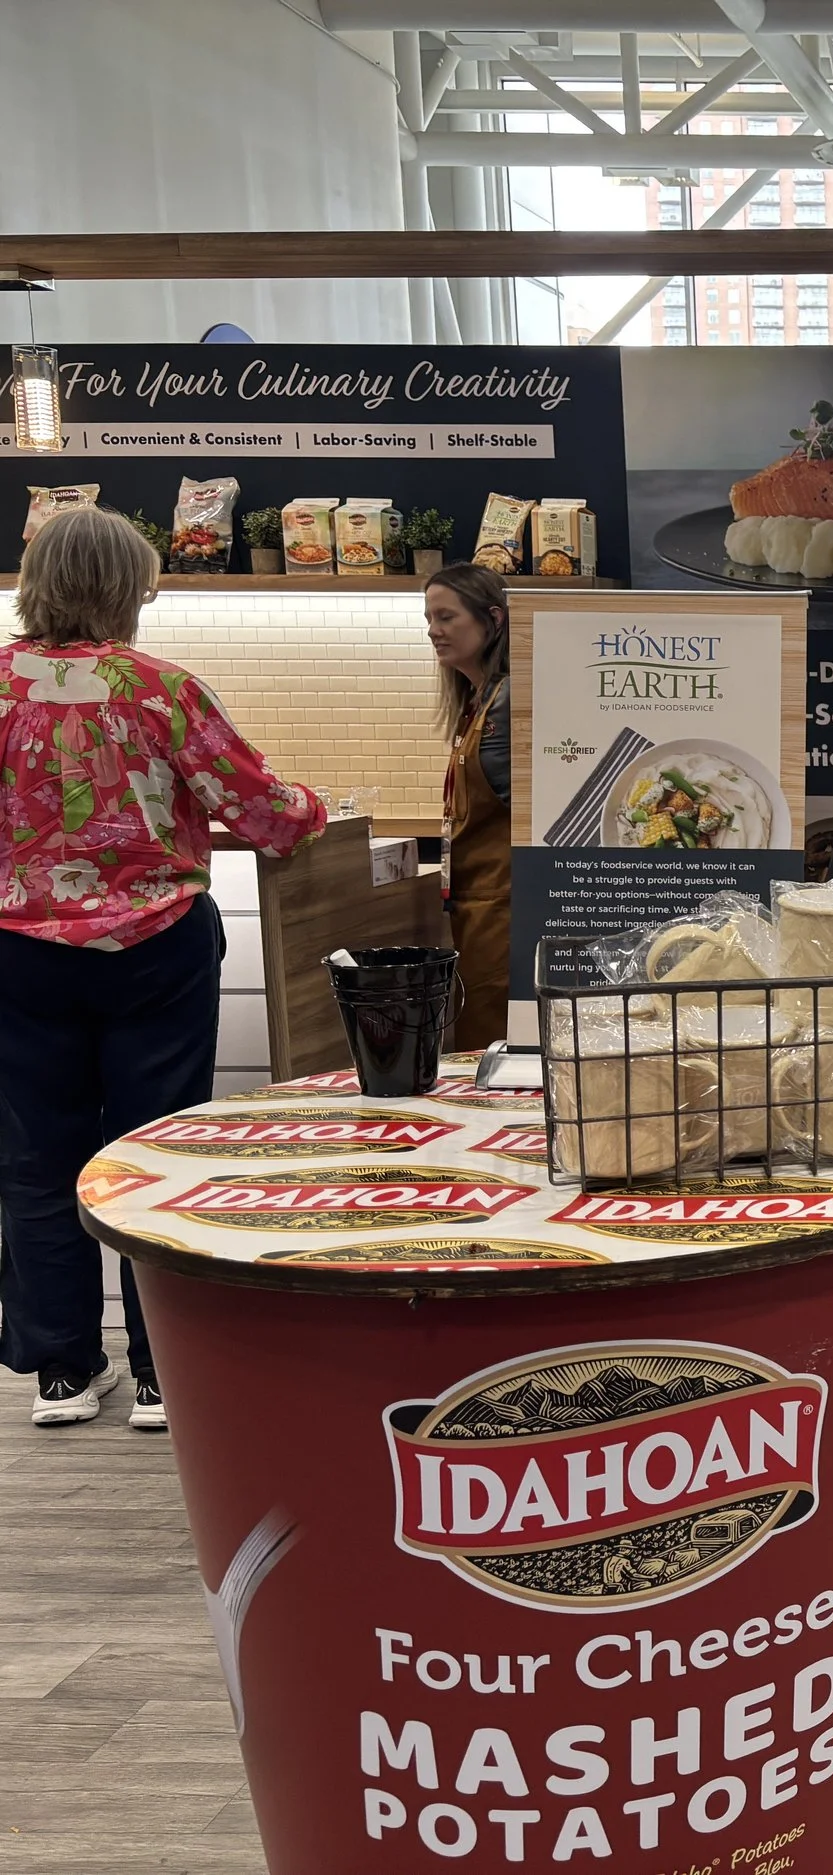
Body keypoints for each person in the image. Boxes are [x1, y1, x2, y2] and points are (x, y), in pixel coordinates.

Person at [0, 507, 325, 1429]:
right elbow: (264, 813)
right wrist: (315, 804)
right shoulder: (161, 691)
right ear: (123, 592)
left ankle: (62, 1372)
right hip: (154, 949)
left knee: (32, 1157)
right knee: (158, 1151)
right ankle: (159, 1372)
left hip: (18, 953)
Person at [426, 564, 512, 1050]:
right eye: (429, 619)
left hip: (503, 907)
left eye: (446, 617)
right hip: (481, 908)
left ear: (493, 620)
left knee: (491, 1045)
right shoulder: (478, 700)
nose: (434, 631)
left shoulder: (504, 704)